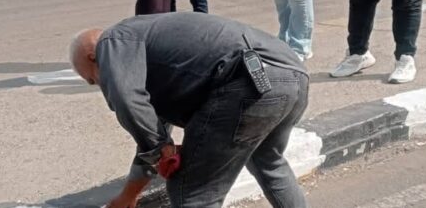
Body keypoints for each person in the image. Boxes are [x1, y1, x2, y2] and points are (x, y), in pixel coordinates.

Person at [69, 12, 309, 208]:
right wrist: (129, 195)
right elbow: (151, 136)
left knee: (192, 191)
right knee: (267, 162)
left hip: (246, 82)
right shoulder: (148, 51)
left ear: (92, 57)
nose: (100, 84)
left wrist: (160, 148)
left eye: (92, 80)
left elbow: (127, 100)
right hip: (290, 77)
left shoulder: (112, 41)